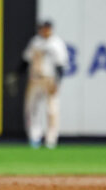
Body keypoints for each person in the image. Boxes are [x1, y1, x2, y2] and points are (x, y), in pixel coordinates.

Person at [21, 21, 69, 149]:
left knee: (52, 110)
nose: (45, 30)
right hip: (35, 79)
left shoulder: (57, 43)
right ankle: (34, 138)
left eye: (47, 28)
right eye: (43, 28)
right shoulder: (35, 42)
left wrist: (58, 83)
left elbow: (60, 65)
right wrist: (17, 73)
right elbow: (26, 60)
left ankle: (51, 140)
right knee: (32, 109)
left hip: (50, 79)